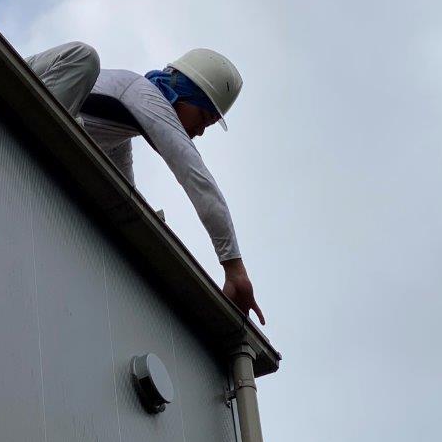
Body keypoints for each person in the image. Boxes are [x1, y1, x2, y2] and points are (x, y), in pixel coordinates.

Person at [25, 41, 264, 324]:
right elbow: (196, 177)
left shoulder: (118, 132)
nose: (199, 132)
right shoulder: (144, 94)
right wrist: (234, 269)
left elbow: (125, 201)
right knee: (85, 57)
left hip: (38, 136)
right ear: (182, 93)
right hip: (19, 89)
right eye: (203, 118)